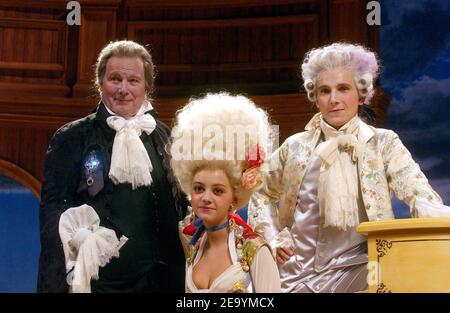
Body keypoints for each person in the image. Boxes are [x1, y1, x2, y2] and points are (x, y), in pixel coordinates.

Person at [248, 42, 450, 293]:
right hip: (296, 271)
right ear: (315, 97)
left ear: (361, 93)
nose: (334, 99)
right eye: (325, 91)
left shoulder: (382, 143)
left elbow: (417, 192)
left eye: (343, 88)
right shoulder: (295, 147)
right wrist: (272, 240)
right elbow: (260, 191)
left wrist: (438, 223)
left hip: (360, 269)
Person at [37, 40, 187, 292]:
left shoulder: (164, 137)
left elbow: (181, 207)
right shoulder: (72, 137)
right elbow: (54, 211)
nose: (123, 89)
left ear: (146, 87)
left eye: (133, 81)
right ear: (100, 84)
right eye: (115, 79)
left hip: (159, 283)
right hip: (99, 284)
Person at [171, 92, 281, 293]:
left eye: (218, 190)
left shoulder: (254, 250)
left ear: (235, 196)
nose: (206, 197)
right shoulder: (194, 247)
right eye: (198, 188)